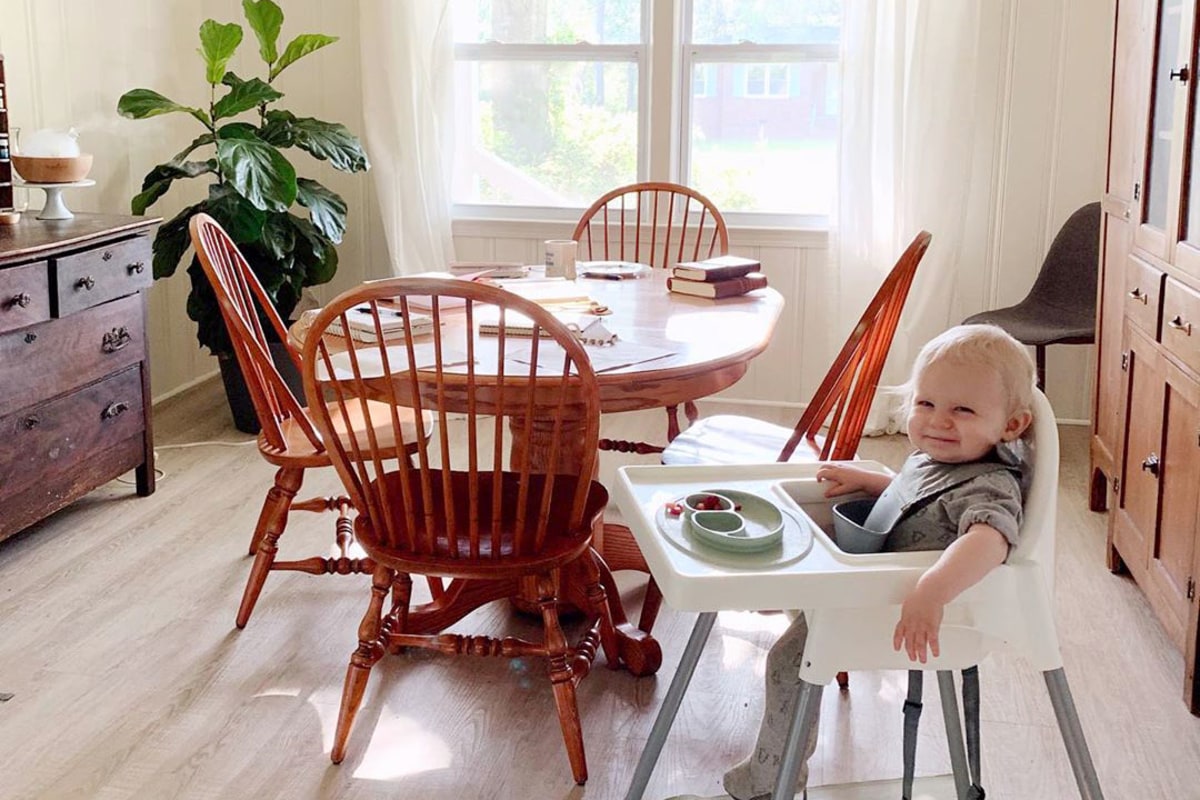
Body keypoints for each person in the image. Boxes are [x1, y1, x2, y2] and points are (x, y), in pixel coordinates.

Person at [717, 323, 1037, 800]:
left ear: (1012, 426)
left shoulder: (989, 485)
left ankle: (769, 782)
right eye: (925, 403)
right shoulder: (938, 460)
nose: (937, 421)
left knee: (788, 665)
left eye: (962, 410)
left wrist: (932, 590)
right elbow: (920, 503)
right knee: (796, 546)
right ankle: (783, 598)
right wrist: (874, 484)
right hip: (861, 584)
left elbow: (989, 541)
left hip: (889, 608)